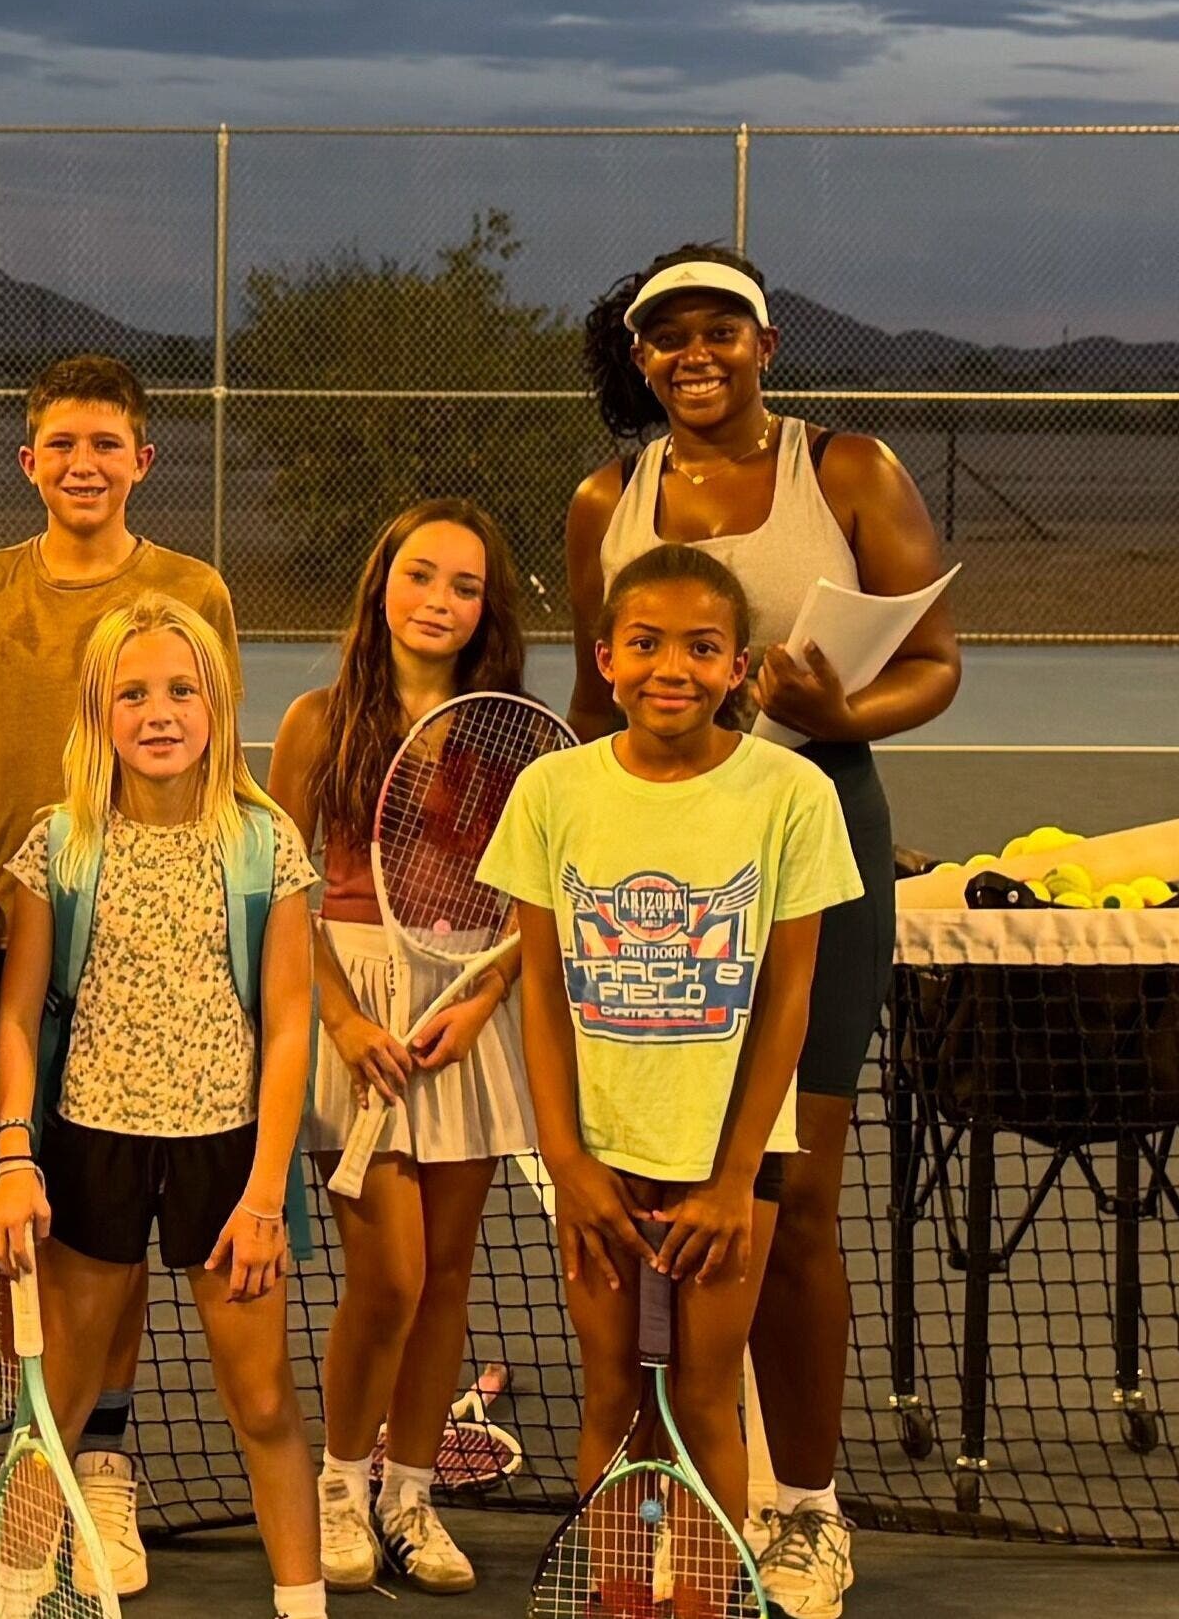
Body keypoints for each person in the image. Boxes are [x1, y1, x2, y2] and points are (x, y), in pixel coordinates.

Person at [566, 245, 960, 1619]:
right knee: (641, 1197)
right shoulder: (603, 500)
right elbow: (586, 687)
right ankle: (665, 1495)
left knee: (791, 1199)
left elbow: (938, 659)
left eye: (719, 328)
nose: (696, 352)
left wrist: (847, 719)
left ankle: (803, 1508)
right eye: (667, 335)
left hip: (811, 830)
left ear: (767, 341)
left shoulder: (848, 471)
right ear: (642, 355)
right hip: (646, 866)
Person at [484, 545, 861, 1619]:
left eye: (702, 647)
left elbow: (789, 999)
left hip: (729, 1167)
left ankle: (700, 1604)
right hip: (597, 1163)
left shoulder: (791, 794)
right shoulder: (552, 790)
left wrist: (734, 1177)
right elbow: (543, 994)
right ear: (604, 659)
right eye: (644, 643)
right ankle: (618, 1603)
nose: (672, 668)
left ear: (740, 666)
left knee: (702, 1394)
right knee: (612, 1391)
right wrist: (569, 1163)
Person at [0, 353, 239, 1589]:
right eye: (63, 444)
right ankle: (36, 1458)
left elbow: (200, 750)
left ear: (141, 460)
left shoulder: (188, 586)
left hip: (154, 937)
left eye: (109, 443)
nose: (85, 463)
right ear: (30, 460)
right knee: (24, 1199)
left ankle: (97, 1460)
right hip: (8, 924)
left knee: (116, 1219)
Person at [0, 597, 324, 1619]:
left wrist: (266, 1194)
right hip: (91, 1151)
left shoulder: (266, 843)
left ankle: (303, 1604)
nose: (159, 711)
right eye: (132, 693)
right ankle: (12, 1598)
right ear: (98, 713)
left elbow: (292, 1027)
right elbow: (18, 1014)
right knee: (58, 1408)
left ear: (219, 706)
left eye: (182, 690)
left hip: (229, 1165)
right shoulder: (60, 843)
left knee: (263, 1401)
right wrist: (12, 1156)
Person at [264, 500, 537, 1595]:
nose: (438, 599)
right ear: (382, 584)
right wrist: (337, 1014)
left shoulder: (510, 735)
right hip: (353, 1006)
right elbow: (279, 889)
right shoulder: (315, 720)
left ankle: (410, 1494)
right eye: (420, 574)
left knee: (450, 1274)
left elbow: (535, 898)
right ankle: (339, 1480)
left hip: (466, 1007)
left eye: (463, 586)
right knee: (391, 1270)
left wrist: (484, 997)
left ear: (486, 611)